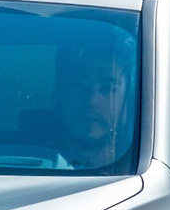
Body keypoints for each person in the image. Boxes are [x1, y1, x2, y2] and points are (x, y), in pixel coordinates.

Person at [52, 36, 135, 170]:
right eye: (76, 86)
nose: (91, 100)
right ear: (57, 96)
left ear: (127, 101)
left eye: (107, 88)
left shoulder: (145, 171)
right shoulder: (29, 165)